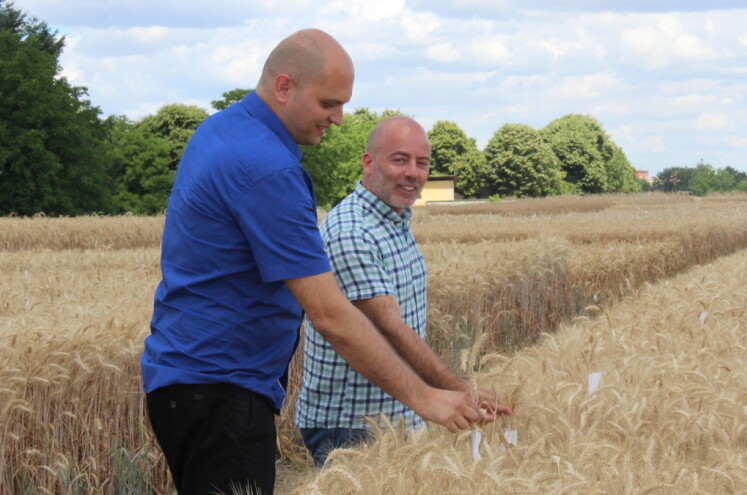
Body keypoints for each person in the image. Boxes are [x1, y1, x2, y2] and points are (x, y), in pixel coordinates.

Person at [141, 30, 494, 495]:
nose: (339, 118)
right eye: (329, 103)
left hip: (191, 380)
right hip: (220, 388)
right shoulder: (268, 168)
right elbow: (329, 314)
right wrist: (425, 397)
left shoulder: (222, 130)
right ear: (285, 87)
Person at [296, 116, 511, 467]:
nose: (413, 172)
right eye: (400, 160)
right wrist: (456, 388)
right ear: (368, 163)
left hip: (393, 413)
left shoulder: (394, 219)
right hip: (353, 425)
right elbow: (388, 328)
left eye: (422, 163)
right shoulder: (354, 231)